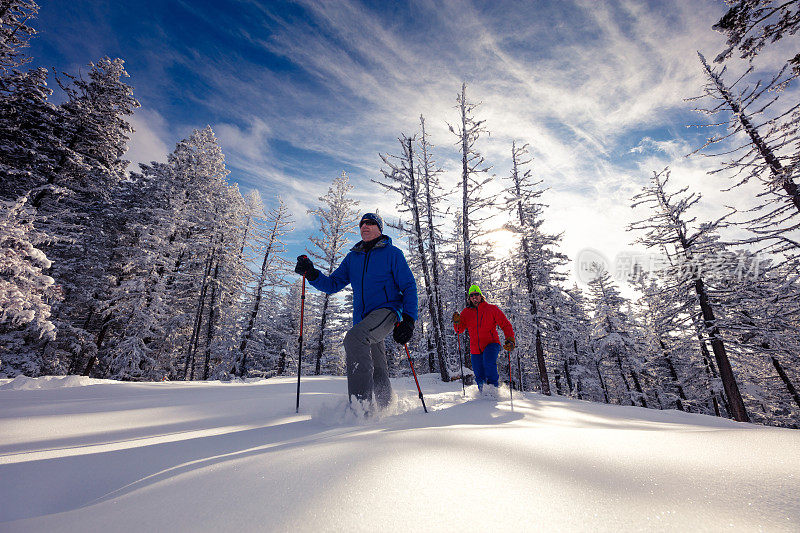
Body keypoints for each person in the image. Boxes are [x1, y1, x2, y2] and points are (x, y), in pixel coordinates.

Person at [294, 212, 418, 410]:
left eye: (370, 223)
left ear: (379, 228)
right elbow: (333, 284)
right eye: (362, 224)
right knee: (377, 365)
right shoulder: (353, 257)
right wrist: (312, 273)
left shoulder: (393, 253)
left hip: (388, 310)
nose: (364, 226)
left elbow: (409, 286)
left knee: (354, 338)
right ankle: (387, 408)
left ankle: (361, 409)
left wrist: (409, 320)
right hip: (363, 319)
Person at [452, 284, 515, 392]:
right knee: (479, 373)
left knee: (488, 362)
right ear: (469, 298)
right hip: (475, 348)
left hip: (492, 343)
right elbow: (459, 330)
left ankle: (494, 390)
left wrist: (510, 339)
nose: (474, 297)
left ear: (481, 296)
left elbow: (505, 325)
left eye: (476, 294)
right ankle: (483, 395)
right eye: (471, 295)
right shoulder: (466, 312)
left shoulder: (491, 309)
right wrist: (456, 322)